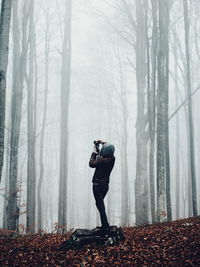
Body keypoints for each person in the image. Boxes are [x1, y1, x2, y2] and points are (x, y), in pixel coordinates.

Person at [89, 140, 115, 235]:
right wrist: (104, 143)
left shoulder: (100, 160)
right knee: (100, 205)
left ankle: (105, 226)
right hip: (105, 186)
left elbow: (91, 164)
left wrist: (94, 153)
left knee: (100, 206)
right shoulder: (112, 159)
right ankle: (105, 225)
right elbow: (107, 151)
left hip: (97, 186)